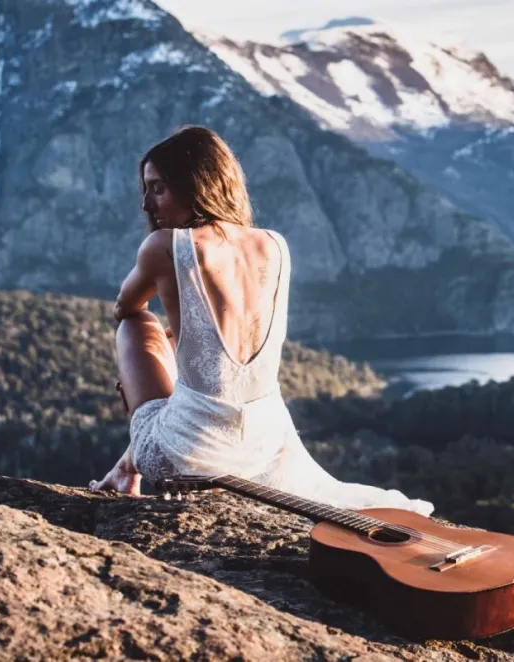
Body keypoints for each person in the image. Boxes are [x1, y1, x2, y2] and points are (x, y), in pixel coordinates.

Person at [88, 126, 434, 517]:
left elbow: (124, 307)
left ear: (197, 185)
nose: (147, 204)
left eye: (159, 188)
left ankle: (127, 469)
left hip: (183, 462)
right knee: (194, 376)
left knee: (137, 325)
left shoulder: (164, 247)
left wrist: (169, 337)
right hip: (264, 451)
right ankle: (123, 468)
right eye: (147, 189)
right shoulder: (275, 244)